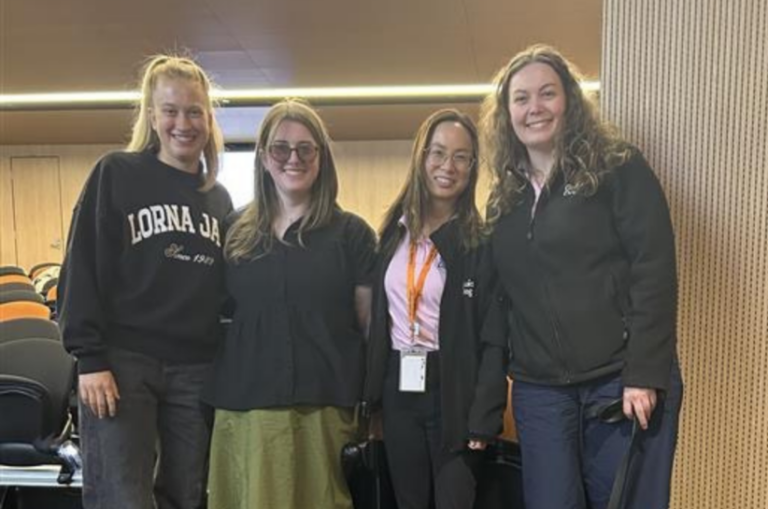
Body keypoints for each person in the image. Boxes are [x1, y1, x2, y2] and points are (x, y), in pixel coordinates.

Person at [479, 44, 684, 509]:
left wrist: (644, 373)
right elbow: (503, 298)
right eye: (521, 98)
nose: (534, 107)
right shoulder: (503, 200)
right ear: (507, 114)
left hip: (619, 378)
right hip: (540, 391)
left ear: (569, 99)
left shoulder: (616, 167)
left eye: (547, 93)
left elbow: (653, 268)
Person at [58, 54, 233, 509]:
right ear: (152, 117)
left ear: (208, 119)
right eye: (170, 110)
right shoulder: (117, 173)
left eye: (194, 111)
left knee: (186, 494)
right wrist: (90, 359)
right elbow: (82, 266)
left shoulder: (217, 199)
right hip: (122, 363)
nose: (183, 123)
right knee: (121, 496)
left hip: (195, 368)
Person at [203, 99, 377, 509]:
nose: (293, 158)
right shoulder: (233, 231)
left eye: (305, 149)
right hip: (246, 405)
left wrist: (374, 407)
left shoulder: (351, 234)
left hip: (325, 404)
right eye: (281, 148)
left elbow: (368, 328)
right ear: (264, 157)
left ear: (321, 157)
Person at [363, 109, 509, 509]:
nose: (448, 166)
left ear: (472, 168)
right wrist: (372, 401)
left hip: (454, 393)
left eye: (462, 157)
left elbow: (494, 338)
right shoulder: (393, 234)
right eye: (439, 153)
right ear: (421, 157)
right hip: (399, 391)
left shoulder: (480, 244)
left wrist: (485, 415)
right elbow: (378, 323)